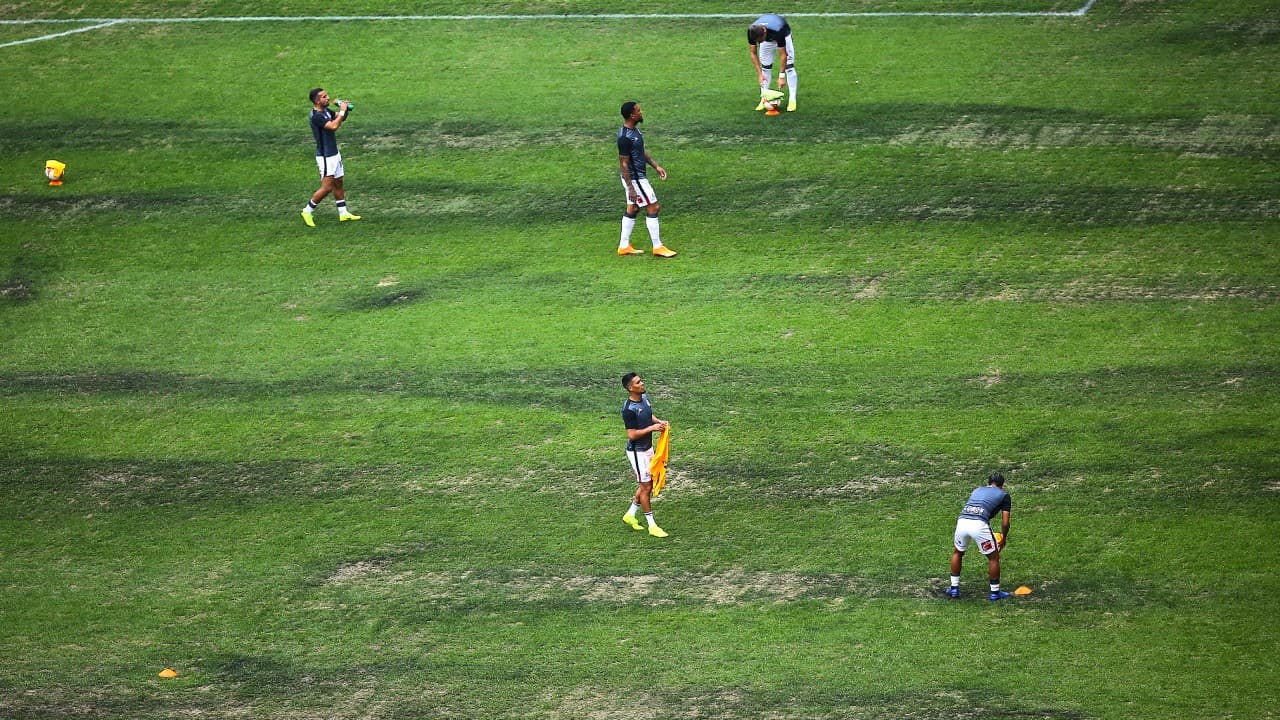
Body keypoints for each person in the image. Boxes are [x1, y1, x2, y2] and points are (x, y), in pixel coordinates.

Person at [616, 101, 677, 258]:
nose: (641, 112)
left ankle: (623, 246)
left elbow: (640, 151)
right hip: (635, 179)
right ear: (632, 115)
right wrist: (631, 188)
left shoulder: (634, 131)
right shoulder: (624, 137)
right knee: (653, 207)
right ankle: (657, 247)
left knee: (634, 208)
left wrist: (656, 166)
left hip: (636, 178)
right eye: (638, 110)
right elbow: (623, 163)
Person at [948, 472, 1012, 600]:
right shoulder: (1004, 495)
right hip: (979, 524)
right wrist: (1004, 538)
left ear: (988, 482)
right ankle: (995, 593)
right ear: (1002, 485)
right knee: (993, 557)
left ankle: (954, 589)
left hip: (962, 521)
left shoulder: (977, 489)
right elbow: (1005, 523)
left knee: (958, 552)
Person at [620, 372, 670, 537]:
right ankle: (652, 525)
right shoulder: (628, 409)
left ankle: (630, 514)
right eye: (638, 382)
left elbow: (648, 415)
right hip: (637, 452)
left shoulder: (644, 398)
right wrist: (651, 428)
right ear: (630, 388)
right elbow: (632, 435)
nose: (642, 383)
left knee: (646, 484)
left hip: (647, 448)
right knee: (646, 487)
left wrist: (658, 422)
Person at [301, 87, 361, 226]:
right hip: (326, 157)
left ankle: (343, 213)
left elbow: (340, 119)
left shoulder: (326, 111)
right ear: (317, 101)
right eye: (324, 96)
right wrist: (341, 111)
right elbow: (333, 126)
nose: (328, 98)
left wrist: (344, 111)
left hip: (334, 154)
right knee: (327, 187)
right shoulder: (316, 116)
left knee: (339, 182)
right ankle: (307, 211)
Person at [748, 14, 797, 112]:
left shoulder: (778, 30)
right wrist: (759, 74)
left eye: (760, 40)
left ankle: (792, 99)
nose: (759, 43)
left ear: (765, 31)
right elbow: (753, 53)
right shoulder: (752, 32)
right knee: (765, 67)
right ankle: (764, 99)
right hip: (768, 38)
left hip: (783, 36)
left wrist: (781, 77)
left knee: (789, 67)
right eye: (757, 41)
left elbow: (783, 55)